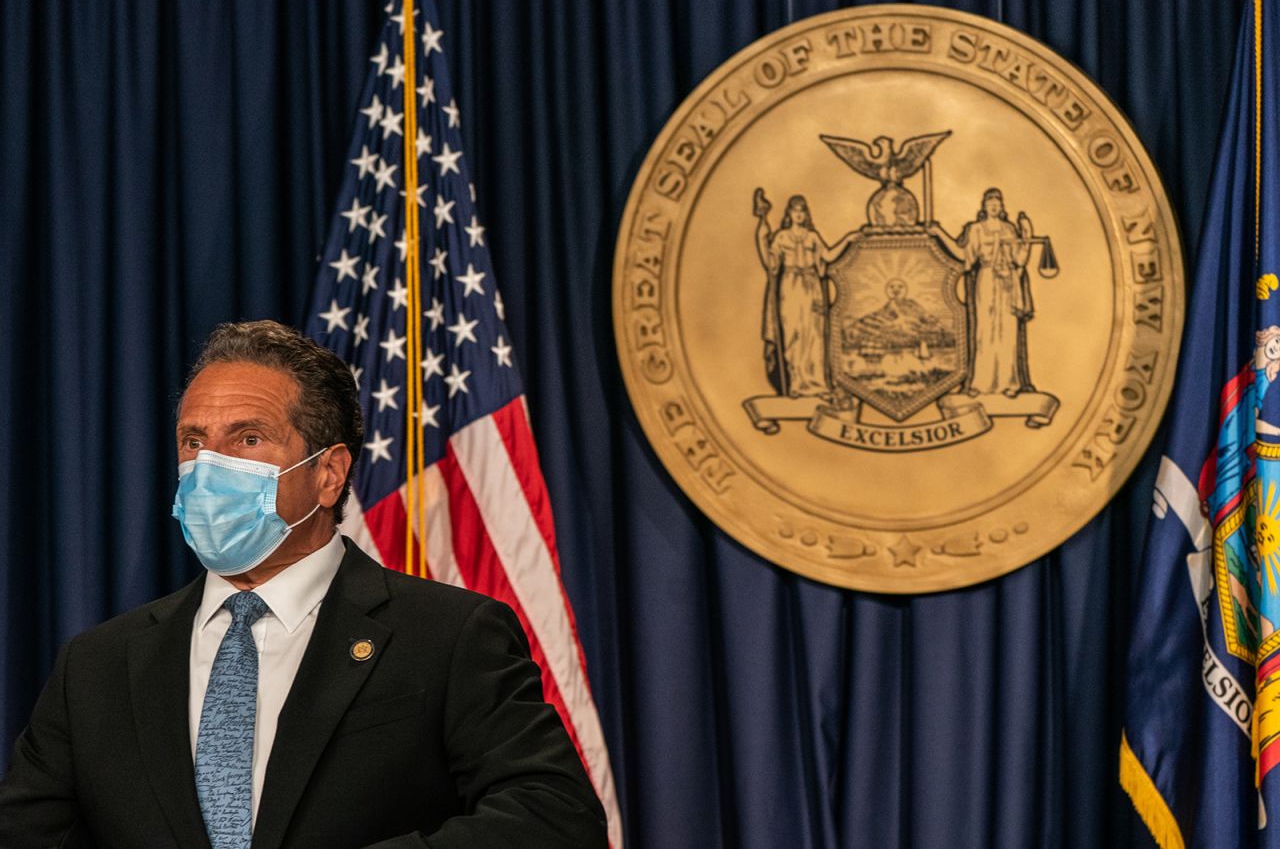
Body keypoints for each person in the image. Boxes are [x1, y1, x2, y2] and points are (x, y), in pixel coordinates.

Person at [0, 321, 606, 848]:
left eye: (248, 438)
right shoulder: (97, 665)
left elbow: (553, 818)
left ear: (328, 474)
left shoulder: (448, 636)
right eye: (193, 441)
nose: (208, 466)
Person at [930, 188, 1034, 398]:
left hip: (1007, 283)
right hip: (986, 280)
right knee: (984, 332)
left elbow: (1020, 260)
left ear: (1002, 207)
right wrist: (939, 233)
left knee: (1008, 332)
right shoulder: (976, 229)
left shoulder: (1009, 229)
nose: (994, 206)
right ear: (984, 206)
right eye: (990, 202)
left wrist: (1027, 238)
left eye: (998, 202)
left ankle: (1010, 382)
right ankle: (981, 383)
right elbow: (964, 257)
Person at [753, 190, 854, 398]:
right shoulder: (781, 237)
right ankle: (796, 384)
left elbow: (828, 256)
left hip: (812, 287)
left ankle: (817, 384)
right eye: (795, 210)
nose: (799, 214)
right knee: (793, 335)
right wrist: (762, 235)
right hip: (790, 288)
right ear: (789, 213)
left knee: (814, 336)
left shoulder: (812, 237)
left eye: (802, 211)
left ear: (806, 214)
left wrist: (849, 240)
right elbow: (772, 265)